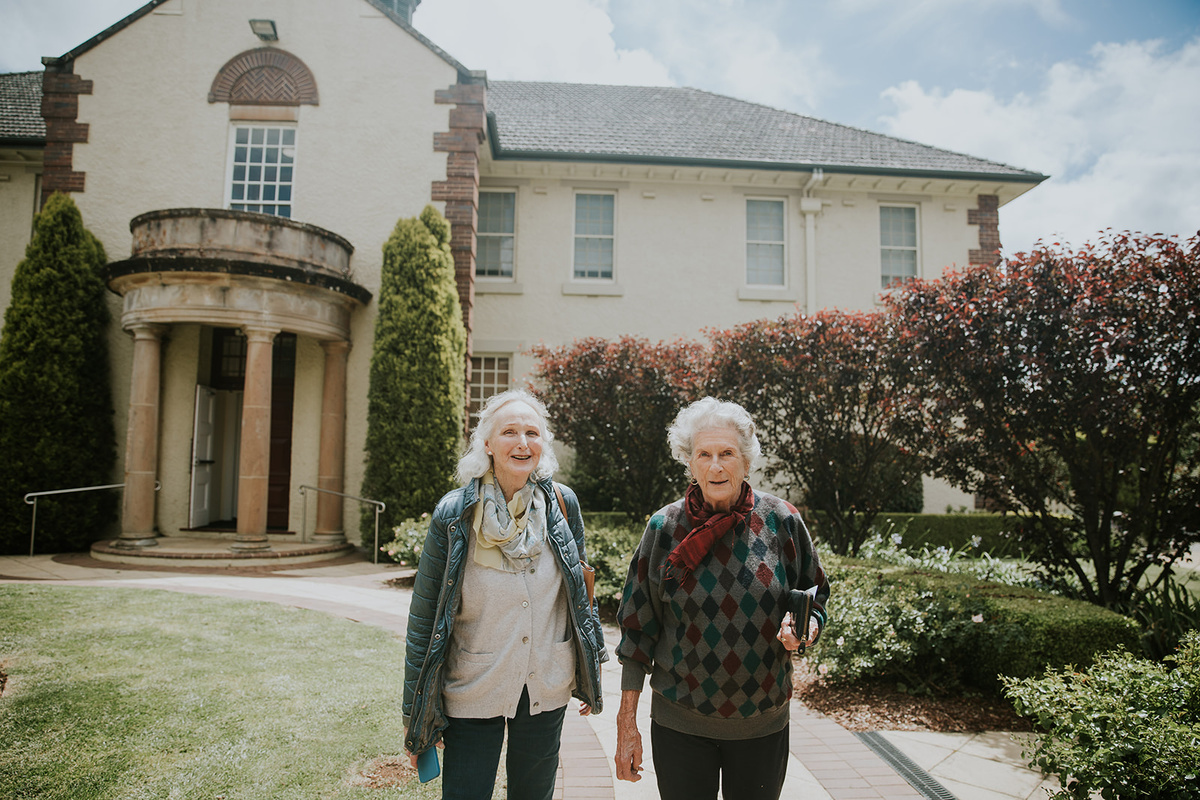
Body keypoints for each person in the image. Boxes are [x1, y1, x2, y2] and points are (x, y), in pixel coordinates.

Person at [614, 397, 830, 800]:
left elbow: (815, 592)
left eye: (727, 453)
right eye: (704, 454)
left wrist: (806, 625)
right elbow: (636, 630)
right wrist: (627, 723)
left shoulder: (782, 519)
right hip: (680, 725)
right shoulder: (664, 528)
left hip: (762, 724)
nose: (716, 466)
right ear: (690, 463)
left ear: (746, 461)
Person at [402, 389, 606, 800]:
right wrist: (414, 713)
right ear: (487, 444)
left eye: (532, 432)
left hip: (544, 683)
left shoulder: (562, 504)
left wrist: (591, 668)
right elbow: (425, 616)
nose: (522, 442)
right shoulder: (454, 513)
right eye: (509, 432)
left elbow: (579, 593)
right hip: (473, 685)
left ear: (543, 445)